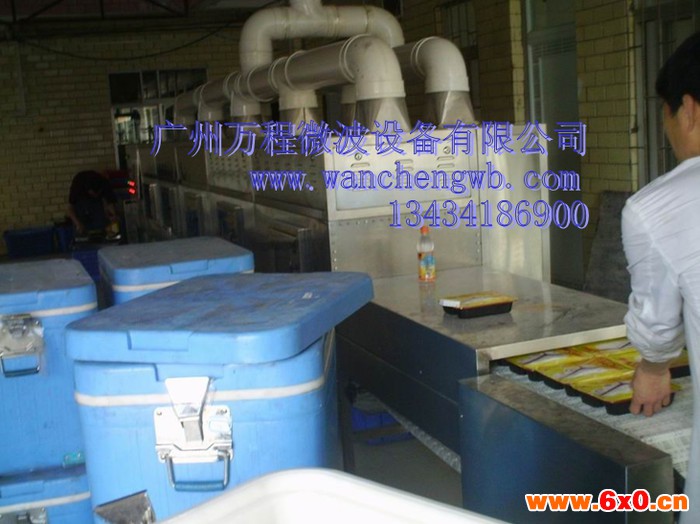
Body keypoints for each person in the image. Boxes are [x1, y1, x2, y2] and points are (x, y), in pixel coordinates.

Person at [623, 31, 700, 522]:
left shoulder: (659, 207)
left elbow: (657, 326)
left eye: (666, 116)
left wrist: (653, 369)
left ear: (688, 109)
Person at [67, 170, 118, 236]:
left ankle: (101, 236)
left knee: (101, 223)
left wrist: (113, 216)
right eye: (92, 193)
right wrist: (77, 223)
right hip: (81, 204)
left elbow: (110, 203)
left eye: (97, 193)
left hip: (97, 205)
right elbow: (70, 208)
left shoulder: (104, 183)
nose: (94, 195)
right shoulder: (78, 184)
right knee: (80, 229)